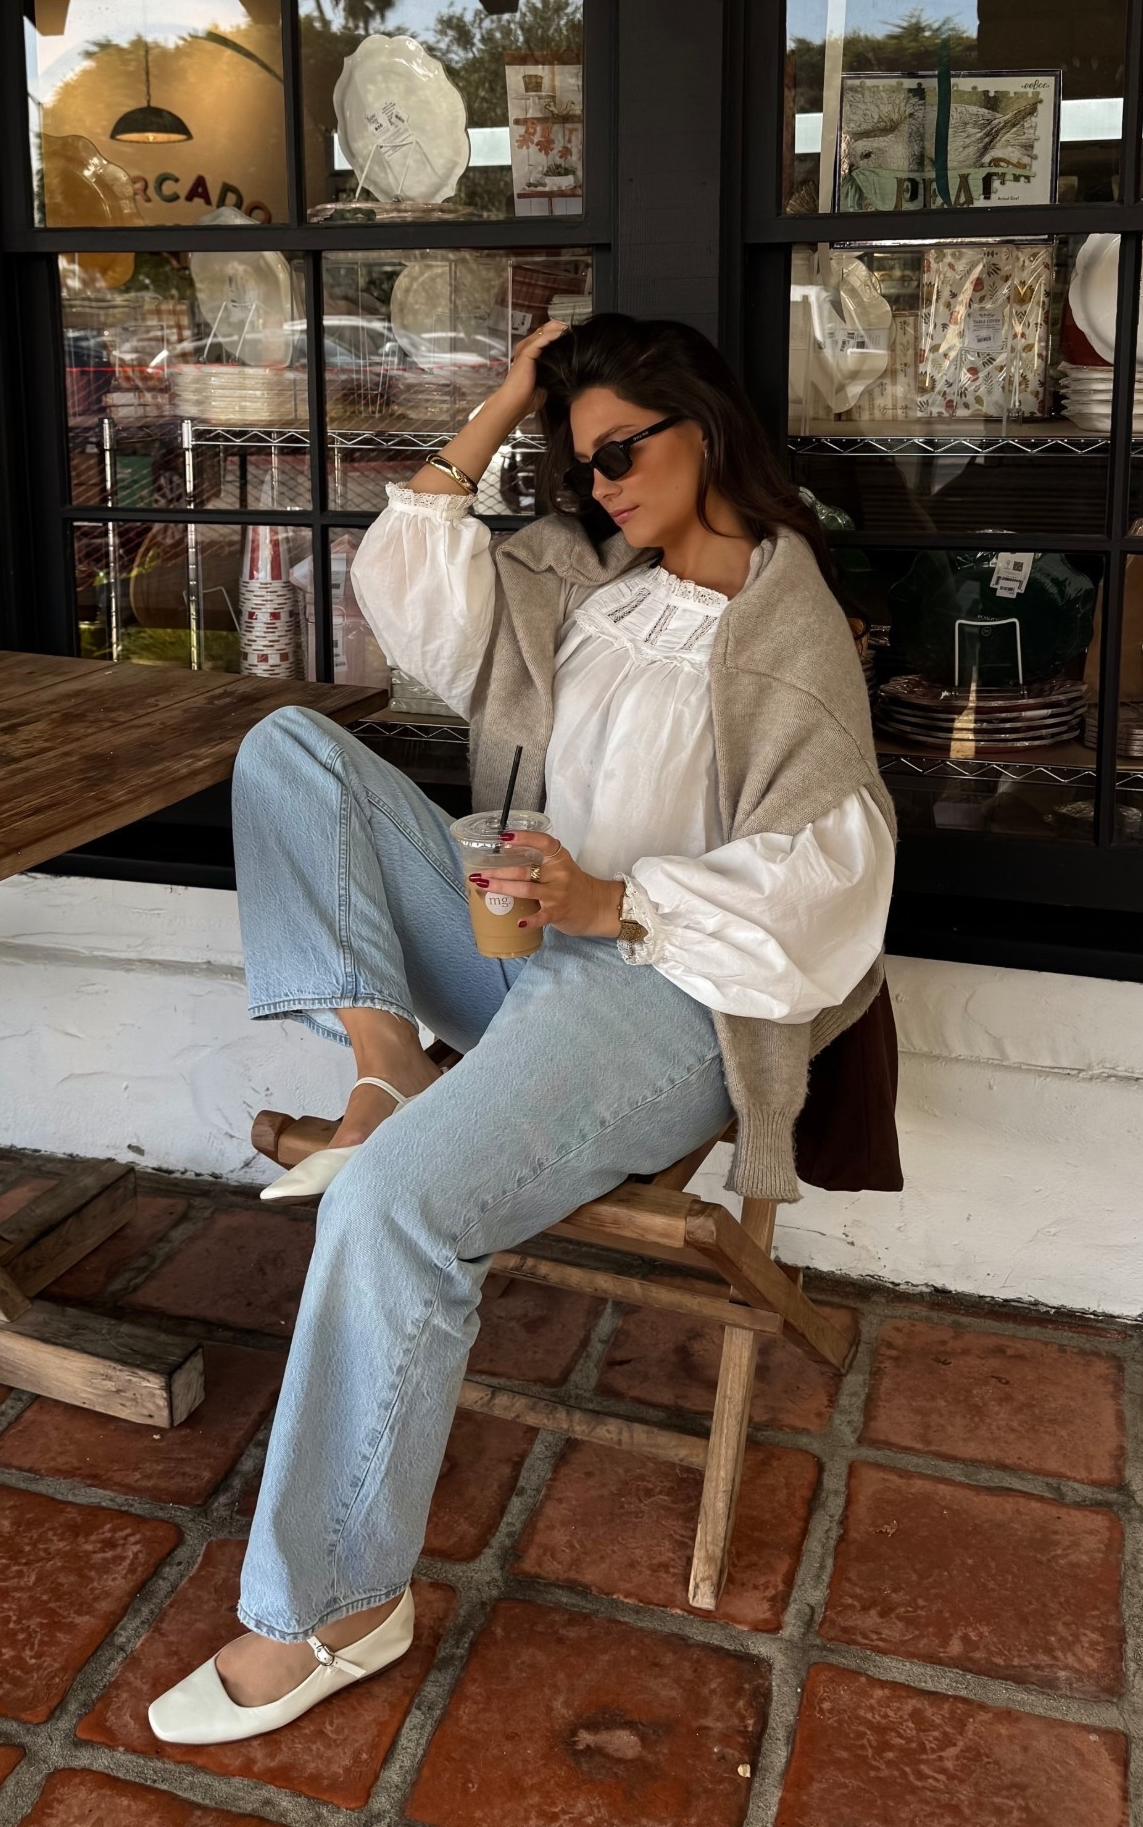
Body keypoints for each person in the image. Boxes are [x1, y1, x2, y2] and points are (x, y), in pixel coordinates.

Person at [148, 312, 897, 1745]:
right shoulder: (601, 587)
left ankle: (336, 1607)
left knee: (389, 1210)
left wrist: (618, 897)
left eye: (623, 451)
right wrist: (500, 404)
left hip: (665, 1002)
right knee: (289, 750)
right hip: (531, 935)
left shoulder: (784, 631)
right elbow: (410, 593)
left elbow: (829, 896)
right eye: (581, 460)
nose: (601, 482)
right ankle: (389, 1068)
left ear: (707, 429)